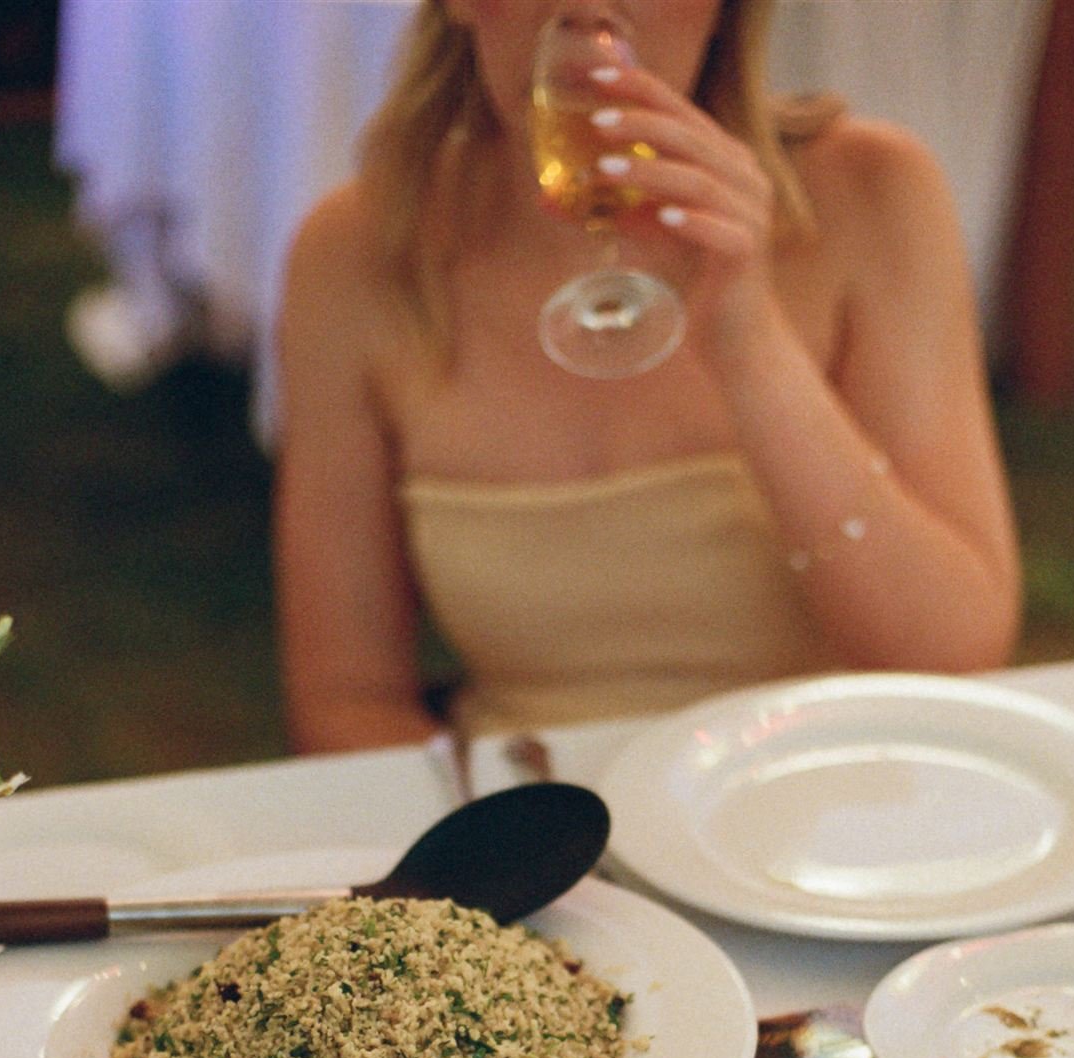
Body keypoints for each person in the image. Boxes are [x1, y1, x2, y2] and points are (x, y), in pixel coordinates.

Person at [274, 0, 1022, 755]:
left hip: (828, 795)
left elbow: (951, 650)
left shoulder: (872, 194)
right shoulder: (358, 255)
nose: (593, 12)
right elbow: (348, 702)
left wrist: (751, 345)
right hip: (539, 819)